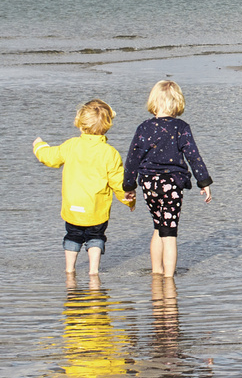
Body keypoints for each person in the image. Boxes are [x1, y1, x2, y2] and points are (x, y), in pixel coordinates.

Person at [33, 99, 134, 276]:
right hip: (96, 208)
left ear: (80, 123)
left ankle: (69, 269)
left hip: (73, 206)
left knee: (72, 235)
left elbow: (50, 157)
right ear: (108, 125)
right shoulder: (109, 153)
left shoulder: (71, 145)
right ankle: (93, 271)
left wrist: (39, 146)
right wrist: (128, 200)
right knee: (95, 237)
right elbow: (118, 182)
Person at [124, 80, 213, 278]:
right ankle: (168, 278)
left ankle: (156, 273)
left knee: (158, 226)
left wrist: (129, 186)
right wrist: (204, 182)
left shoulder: (143, 128)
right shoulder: (181, 127)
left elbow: (132, 158)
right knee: (170, 232)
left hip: (148, 183)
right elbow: (193, 155)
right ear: (177, 102)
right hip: (172, 183)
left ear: (153, 101)